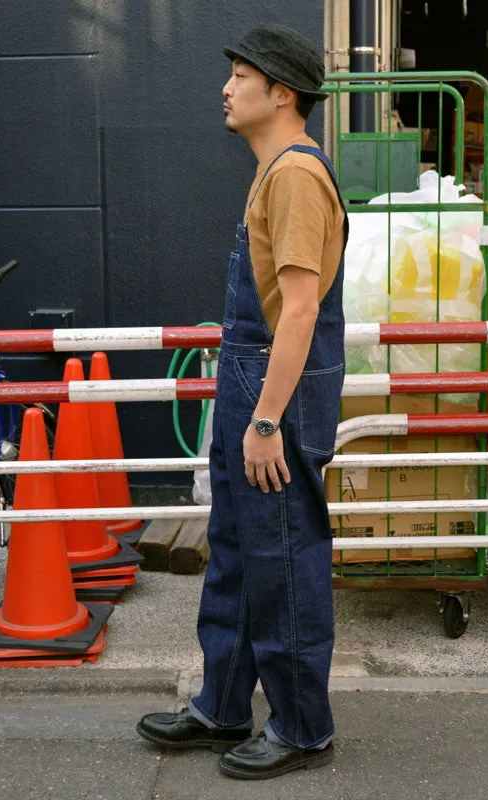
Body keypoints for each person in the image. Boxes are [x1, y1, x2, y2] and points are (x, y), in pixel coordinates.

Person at [137, 22, 347, 781]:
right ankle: (222, 705)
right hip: (252, 384)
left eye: (239, 76)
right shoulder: (274, 171)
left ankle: (302, 726)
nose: (225, 89)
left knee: (282, 560)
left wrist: (264, 420)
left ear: (281, 92)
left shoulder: (294, 175)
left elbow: (299, 311)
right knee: (233, 553)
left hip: (273, 397)